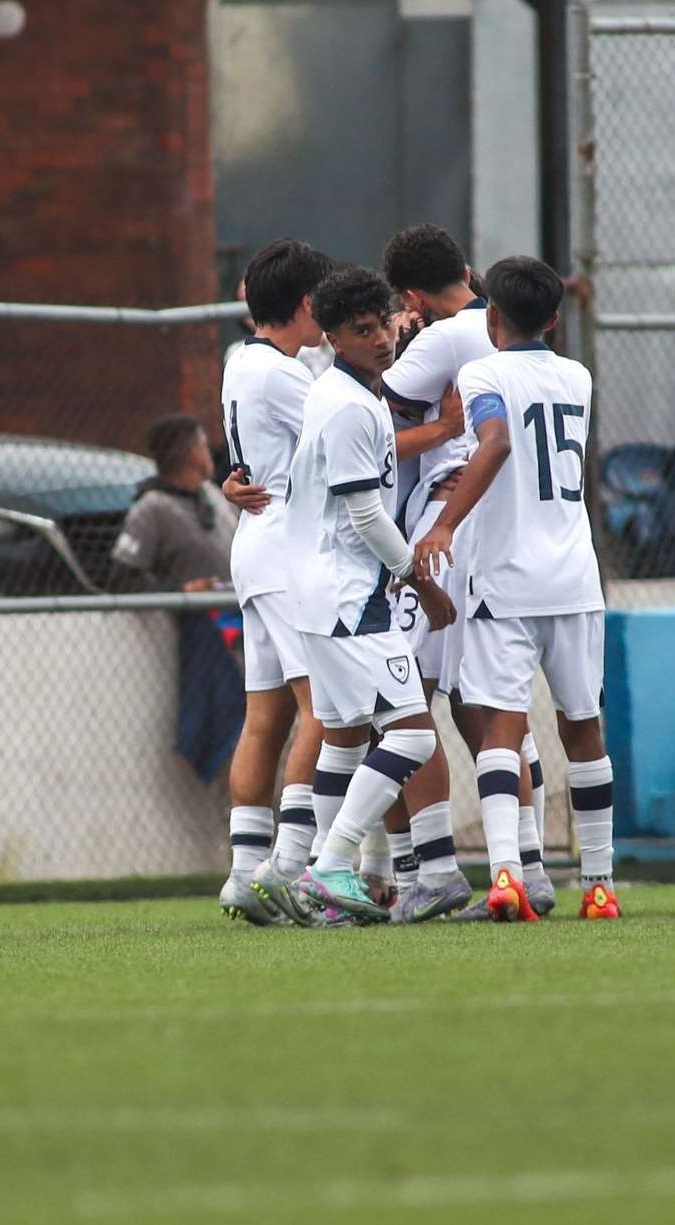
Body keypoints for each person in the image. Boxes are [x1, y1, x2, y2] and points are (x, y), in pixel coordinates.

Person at [415, 255, 621, 922]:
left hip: (505, 579)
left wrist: (444, 521)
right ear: (556, 318)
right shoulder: (577, 375)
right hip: (574, 576)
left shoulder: (482, 371)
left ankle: (506, 878)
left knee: (500, 728)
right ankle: (600, 885)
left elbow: (497, 441)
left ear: (491, 316)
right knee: (583, 728)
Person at [258, 264, 455, 925]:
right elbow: (367, 515)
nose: (380, 340)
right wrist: (422, 584)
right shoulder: (346, 406)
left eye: (382, 325)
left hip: (322, 593)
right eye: (360, 331)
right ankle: (333, 864)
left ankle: (286, 871)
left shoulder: (348, 393)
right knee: (414, 735)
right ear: (333, 339)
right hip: (348, 597)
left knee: (343, 738)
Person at [378, 222, 545, 922]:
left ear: (412, 294)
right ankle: (528, 869)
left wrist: (402, 342)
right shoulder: (519, 338)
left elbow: (366, 417)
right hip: (509, 527)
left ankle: (435, 866)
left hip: (448, 520)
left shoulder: (447, 338)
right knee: (483, 703)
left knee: (400, 694)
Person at [213, 238, 335, 926]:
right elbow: (349, 425)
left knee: (266, 718)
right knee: (324, 711)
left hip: (255, 547)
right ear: (307, 303)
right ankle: (284, 870)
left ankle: (242, 870)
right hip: (288, 545)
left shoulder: (242, 360)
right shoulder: (289, 375)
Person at [110, 414, 237, 593]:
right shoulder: (153, 507)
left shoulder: (212, 492)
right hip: (195, 615)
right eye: (204, 446)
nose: (209, 453)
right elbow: (123, 578)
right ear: (193, 455)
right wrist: (181, 591)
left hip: (237, 607)